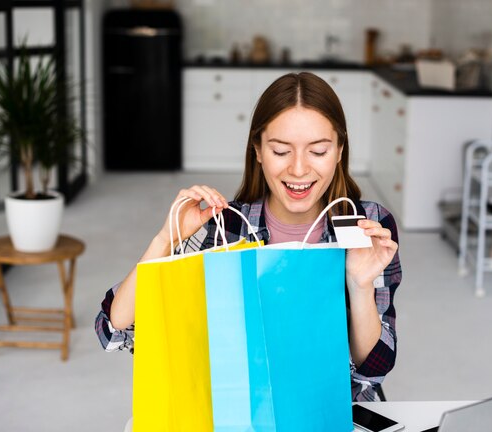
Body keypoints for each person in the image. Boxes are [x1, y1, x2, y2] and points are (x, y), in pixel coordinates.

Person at [95, 71, 402, 402]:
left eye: (318, 151)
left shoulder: (368, 226)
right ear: (258, 150)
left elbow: (373, 370)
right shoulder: (224, 229)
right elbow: (116, 331)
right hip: (243, 411)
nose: (299, 170)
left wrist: (360, 286)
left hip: (335, 409)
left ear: (339, 151)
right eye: (281, 151)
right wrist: (164, 240)